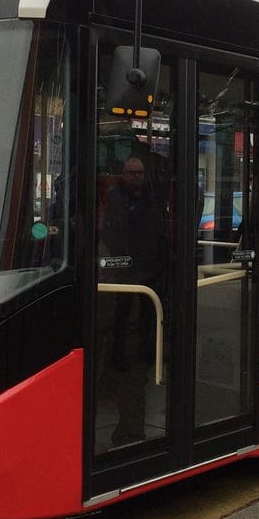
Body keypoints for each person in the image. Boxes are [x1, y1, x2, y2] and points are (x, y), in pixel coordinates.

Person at [99, 155, 168, 444]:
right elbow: (111, 232)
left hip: (148, 270)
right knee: (121, 312)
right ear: (123, 175)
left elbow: (158, 233)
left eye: (140, 174)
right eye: (131, 173)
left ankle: (146, 352)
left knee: (150, 315)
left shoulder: (151, 199)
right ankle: (118, 354)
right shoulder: (116, 199)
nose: (136, 178)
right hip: (125, 269)